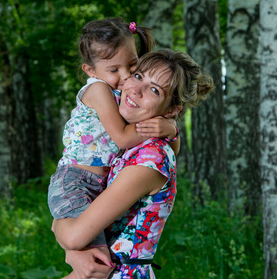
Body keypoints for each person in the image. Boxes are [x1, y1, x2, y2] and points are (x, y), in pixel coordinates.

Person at [52, 49, 215, 278]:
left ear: (172, 110)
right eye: (138, 76)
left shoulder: (149, 161)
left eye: (154, 90)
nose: (136, 90)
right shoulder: (130, 145)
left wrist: (69, 243)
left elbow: (72, 236)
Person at [48, 18, 179, 252]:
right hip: (76, 181)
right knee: (95, 260)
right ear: (90, 70)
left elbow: (169, 150)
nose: (126, 76)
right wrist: (162, 125)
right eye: (114, 70)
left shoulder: (125, 96)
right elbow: (122, 138)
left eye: (132, 66)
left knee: (95, 262)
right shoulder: (98, 90)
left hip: (98, 186)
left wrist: (171, 130)